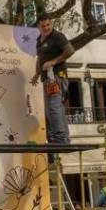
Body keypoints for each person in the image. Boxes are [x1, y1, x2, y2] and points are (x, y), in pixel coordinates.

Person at [29, 14, 74, 150]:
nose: (46, 28)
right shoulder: (39, 40)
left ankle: (60, 139)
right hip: (46, 78)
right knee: (53, 108)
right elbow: (40, 59)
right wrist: (37, 74)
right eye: (43, 26)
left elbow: (70, 50)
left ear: (51, 24)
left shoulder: (57, 36)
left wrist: (53, 61)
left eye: (48, 25)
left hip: (56, 77)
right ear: (38, 27)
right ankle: (62, 137)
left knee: (54, 107)